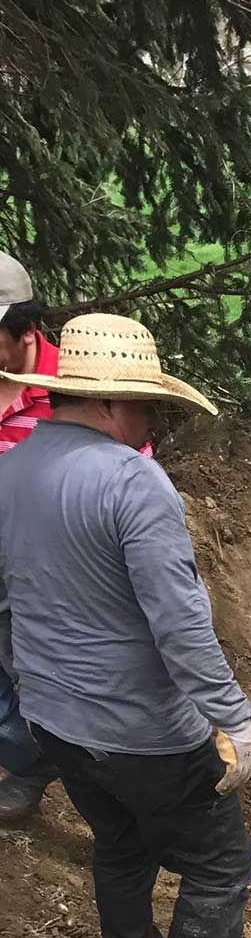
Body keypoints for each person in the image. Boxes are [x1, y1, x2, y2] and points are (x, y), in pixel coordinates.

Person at [0, 312, 251, 938]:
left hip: (54, 718)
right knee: (221, 865)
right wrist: (232, 715)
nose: (152, 421)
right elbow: (180, 622)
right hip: (140, 730)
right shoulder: (133, 481)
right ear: (112, 402)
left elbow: (9, 596)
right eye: (148, 405)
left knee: (121, 846)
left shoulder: (14, 470)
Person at [0, 255, 61, 820]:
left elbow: (121, 472)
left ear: (26, 332)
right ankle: (25, 758)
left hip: (43, 564)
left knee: (29, 671)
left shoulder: (69, 387)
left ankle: (42, 767)